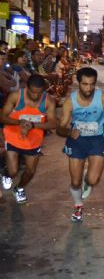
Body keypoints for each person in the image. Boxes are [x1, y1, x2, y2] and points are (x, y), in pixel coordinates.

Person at [57, 67, 104, 221]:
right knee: (74, 181)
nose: (89, 88)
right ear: (78, 83)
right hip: (77, 141)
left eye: (92, 84)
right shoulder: (70, 101)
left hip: (97, 140)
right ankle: (78, 205)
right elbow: (60, 128)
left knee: (93, 180)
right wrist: (68, 133)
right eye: (85, 84)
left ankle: (88, 181)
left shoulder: (102, 98)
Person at [1, 74, 57, 203]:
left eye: (39, 93)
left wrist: (33, 125)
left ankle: (19, 188)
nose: (36, 96)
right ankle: (7, 174)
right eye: (32, 92)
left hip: (33, 140)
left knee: (31, 171)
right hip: (13, 135)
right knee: (13, 171)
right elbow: (2, 117)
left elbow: (54, 123)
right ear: (27, 87)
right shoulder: (16, 96)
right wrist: (19, 123)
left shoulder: (48, 101)